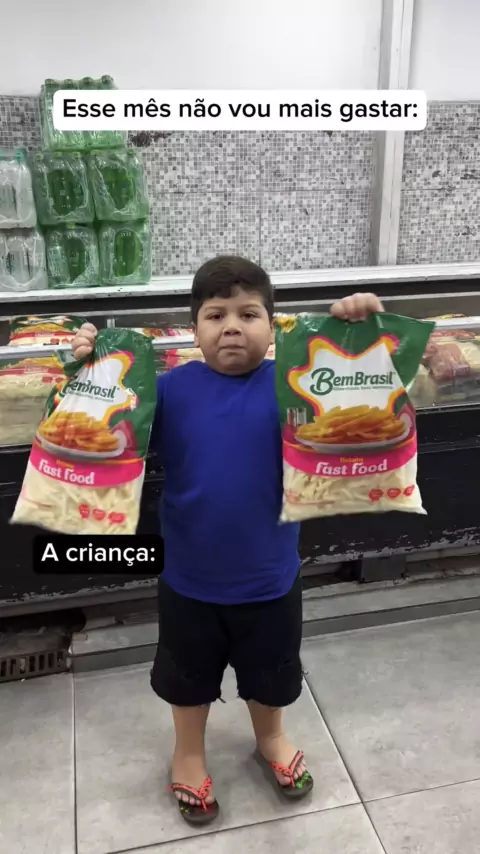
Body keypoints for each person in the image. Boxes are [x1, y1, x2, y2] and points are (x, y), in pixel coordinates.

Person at [72, 256, 383, 827]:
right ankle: (188, 753)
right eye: (216, 315)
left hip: (271, 577)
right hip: (188, 580)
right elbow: (103, 422)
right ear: (194, 330)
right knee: (187, 679)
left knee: (272, 674)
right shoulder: (168, 391)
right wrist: (91, 368)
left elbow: (363, 397)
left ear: (273, 326)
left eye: (248, 314)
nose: (232, 327)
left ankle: (272, 737)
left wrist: (357, 336)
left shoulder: (297, 385)